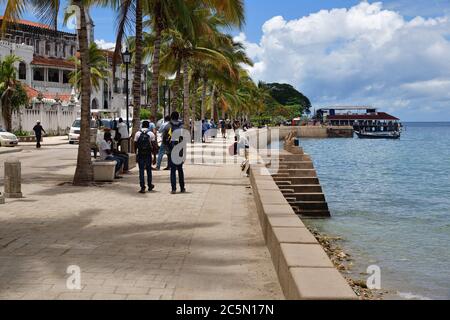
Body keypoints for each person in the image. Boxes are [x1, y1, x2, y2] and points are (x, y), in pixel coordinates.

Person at [162, 112, 185, 194]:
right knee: (180, 170)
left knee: (172, 171)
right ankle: (182, 188)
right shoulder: (181, 126)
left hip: (171, 151)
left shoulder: (168, 126)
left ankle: (174, 189)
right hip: (179, 151)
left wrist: (167, 149)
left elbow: (164, 139)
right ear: (178, 117)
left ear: (171, 117)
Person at [135, 121, 156, 194]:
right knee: (148, 170)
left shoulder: (137, 133)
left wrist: (135, 155)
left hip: (140, 154)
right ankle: (150, 185)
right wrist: (155, 157)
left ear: (142, 125)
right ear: (148, 126)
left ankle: (142, 187)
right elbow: (154, 146)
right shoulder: (151, 134)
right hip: (148, 154)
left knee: (141, 171)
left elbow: (135, 145)